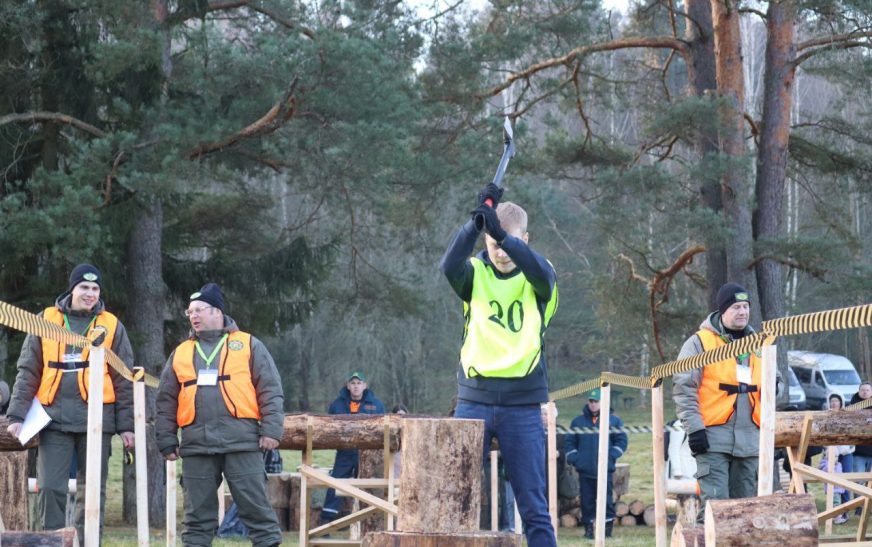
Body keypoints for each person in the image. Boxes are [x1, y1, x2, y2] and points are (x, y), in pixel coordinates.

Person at [440, 183, 559, 547]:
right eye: (493, 245)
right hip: (473, 400)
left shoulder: (541, 275)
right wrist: (474, 225)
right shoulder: (474, 272)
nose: (500, 253)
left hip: (521, 404)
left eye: (507, 244)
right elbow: (449, 265)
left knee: (533, 505)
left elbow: (536, 269)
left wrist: (503, 237)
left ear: (525, 239)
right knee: (453, 501)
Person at [4, 264, 135, 543]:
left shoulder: (111, 325)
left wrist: (127, 426)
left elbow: (124, 379)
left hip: (97, 421)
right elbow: (29, 370)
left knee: (93, 491)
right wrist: (16, 414)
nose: (89, 294)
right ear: (72, 289)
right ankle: (50, 542)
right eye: (84, 287)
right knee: (51, 488)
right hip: (53, 419)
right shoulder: (46, 319)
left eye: (95, 288)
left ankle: (88, 542)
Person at [155, 283, 283, 547]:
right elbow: (166, 400)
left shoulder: (248, 344)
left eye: (199, 310)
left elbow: (270, 389)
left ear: (217, 311)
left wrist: (271, 430)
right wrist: (166, 439)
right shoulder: (181, 352)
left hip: (242, 443)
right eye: (189, 312)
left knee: (257, 513)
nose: (193, 316)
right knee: (196, 520)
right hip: (197, 446)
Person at [673, 282, 784, 521]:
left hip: (751, 441)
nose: (743, 312)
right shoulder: (699, 343)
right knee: (716, 511)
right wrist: (695, 430)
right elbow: (684, 389)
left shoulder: (760, 344)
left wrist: (774, 388)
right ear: (722, 311)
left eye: (746, 306)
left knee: (745, 513)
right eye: (736, 307)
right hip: (712, 439)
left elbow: (777, 383)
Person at [319, 371, 385, 526]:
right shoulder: (337, 404)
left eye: (359, 383)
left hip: (368, 454)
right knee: (336, 485)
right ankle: (326, 521)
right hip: (345, 453)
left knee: (369, 487)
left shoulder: (376, 405)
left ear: (365, 385)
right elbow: (328, 428)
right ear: (348, 386)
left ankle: (372, 520)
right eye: (353, 383)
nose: (356, 387)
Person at [564, 388, 628, 539]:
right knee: (586, 501)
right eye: (591, 401)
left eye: (596, 402)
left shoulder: (614, 420)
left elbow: (622, 441)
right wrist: (576, 458)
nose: (593, 404)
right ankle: (588, 530)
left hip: (605, 469)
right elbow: (569, 442)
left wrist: (610, 456)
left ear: (602, 402)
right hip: (585, 470)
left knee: (606, 501)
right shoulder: (577, 421)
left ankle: (607, 530)